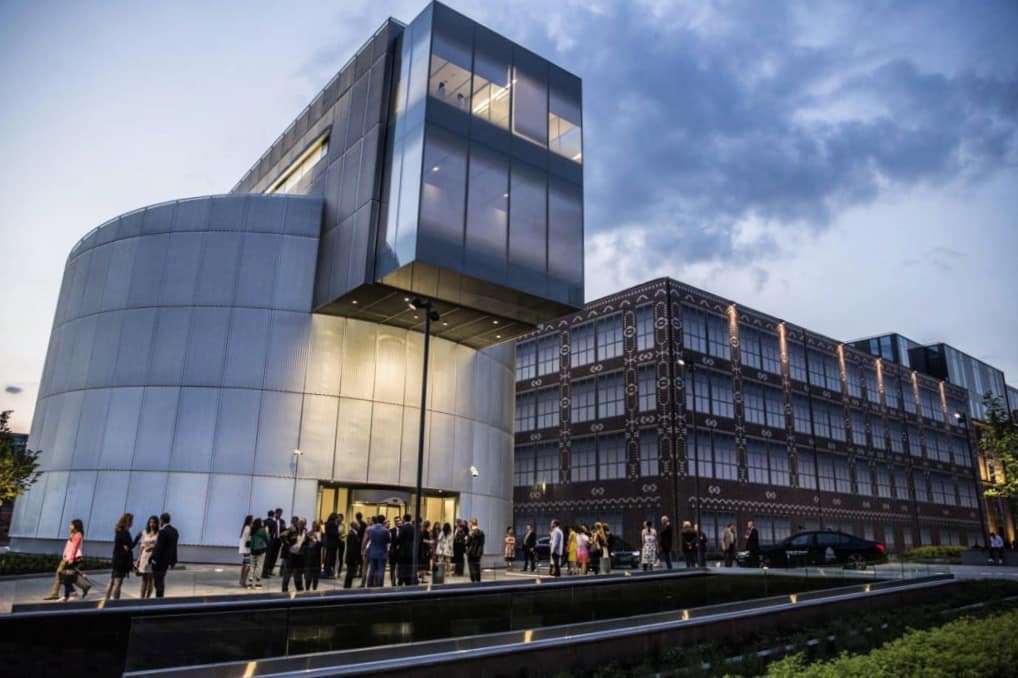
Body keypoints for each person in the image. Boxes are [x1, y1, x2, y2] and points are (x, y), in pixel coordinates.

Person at [105, 513, 135, 601]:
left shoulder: (119, 531)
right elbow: (128, 547)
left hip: (116, 559)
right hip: (121, 561)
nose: (132, 523)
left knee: (112, 581)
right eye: (131, 521)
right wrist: (137, 538)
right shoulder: (124, 533)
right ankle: (115, 601)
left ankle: (106, 599)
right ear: (128, 521)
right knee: (118, 583)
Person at [58, 519, 88, 602]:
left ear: (76, 526)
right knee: (66, 576)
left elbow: (74, 548)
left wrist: (71, 558)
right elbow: (69, 546)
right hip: (70, 558)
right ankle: (70, 594)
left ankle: (69, 594)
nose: (69, 526)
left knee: (65, 576)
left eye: (71, 525)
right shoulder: (74, 534)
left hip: (73, 559)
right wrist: (65, 555)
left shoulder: (78, 535)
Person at [150, 512, 179, 598]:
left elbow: (159, 547)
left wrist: (152, 558)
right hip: (168, 560)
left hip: (160, 561)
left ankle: (159, 598)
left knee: (158, 581)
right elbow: (174, 547)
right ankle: (160, 597)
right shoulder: (175, 531)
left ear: (161, 520)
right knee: (161, 579)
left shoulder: (163, 532)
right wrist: (173, 561)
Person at [135, 515, 159, 598]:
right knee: (144, 578)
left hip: (152, 558)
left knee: (150, 578)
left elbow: (159, 545)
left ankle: (147, 598)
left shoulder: (159, 534)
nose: (152, 524)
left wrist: (152, 546)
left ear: (157, 524)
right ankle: (141, 598)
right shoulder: (145, 532)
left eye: (154, 522)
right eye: (150, 522)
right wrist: (139, 559)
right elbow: (142, 546)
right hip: (144, 557)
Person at [281, 517, 306, 592]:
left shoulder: (304, 531)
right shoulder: (292, 529)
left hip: (300, 555)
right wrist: (288, 545)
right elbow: (282, 535)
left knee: (298, 573)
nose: (301, 524)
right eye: (300, 522)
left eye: (303, 523)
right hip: (291, 554)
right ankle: (285, 588)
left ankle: (299, 588)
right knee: (288, 572)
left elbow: (304, 542)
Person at [365, 515, 391, 588]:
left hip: (372, 552)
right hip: (382, 553)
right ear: (383, 521)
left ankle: (369, 585)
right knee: (381, 570)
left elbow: (368, 539)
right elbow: (388, 540)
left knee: (371, 570)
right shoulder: (385, 530)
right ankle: (380, 586)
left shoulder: (370, 529)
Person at [248, 517, 269, 588]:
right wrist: (267, 531)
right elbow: (268, 538)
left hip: (252, 549)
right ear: (259, 523)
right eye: (262, 522)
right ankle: (257, 582)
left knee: (252, 565)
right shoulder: (262, 530)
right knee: (259, 565)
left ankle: (250, 582)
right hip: (261, 549)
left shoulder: (252, 530)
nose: (263, 523)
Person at [395, 514, 415, 585]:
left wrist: (395, 545)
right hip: (411, 551)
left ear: (404, 519)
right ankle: (408, 582)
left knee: (402, 568)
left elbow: (399, 539)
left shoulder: (403, 528)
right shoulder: (413, 528)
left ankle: (401, 581)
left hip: (403, 552)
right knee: (409, 568)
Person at [343, 517, 362, 589]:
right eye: (358, 525)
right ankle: (347, 587)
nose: (359, 526)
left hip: (352, 557)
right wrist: (354, 559)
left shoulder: (354, 534)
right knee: (350, 573)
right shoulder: (351, 534)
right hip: (351, 558)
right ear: (354, 526)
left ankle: (348, 586)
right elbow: (352, 548)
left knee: (351, 573)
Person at [262, 508, 282, 578]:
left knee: (266, 557)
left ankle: (264, 571)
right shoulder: (273, 522)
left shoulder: (264, 521)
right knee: (268, 557)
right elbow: (273, 533)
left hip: (266, 541)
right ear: (274, 514)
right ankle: (265, 573)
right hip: (270, 541)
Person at [303, 521, 323, 591]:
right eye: (313, 525)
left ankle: (314, 589)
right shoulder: (308, 533)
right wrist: (306, 537)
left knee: (315, 576)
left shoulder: (320, 534)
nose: (314, 527)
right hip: (308, 557)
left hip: (316, 557)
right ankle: (307, 589)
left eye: (316, 525)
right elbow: (304, 544)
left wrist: (314, 539)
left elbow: (321, 545)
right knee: (308, 575)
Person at [466, 518, 485, 582]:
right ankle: (478, 580)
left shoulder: (471, 533)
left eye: (470, 523)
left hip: (471, 552)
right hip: (478, 553)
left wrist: (466, 539)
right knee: (477, 566)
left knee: (471, 567)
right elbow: (482, 543)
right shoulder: (481, 532)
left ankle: (473, 580)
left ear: (471, 524)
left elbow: (467, 543)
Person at [323, 513, 340, 578]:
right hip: (332, 543)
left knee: (328, 557)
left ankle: (327, 571)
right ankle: (328, 572)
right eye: (337, 517)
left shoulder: (327, 523)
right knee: (330, 558)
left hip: (329, 543)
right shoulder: (332, 524)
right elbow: (334, 533)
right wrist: (338, 532)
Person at [238, 514, 253, 587]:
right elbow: (248, 539)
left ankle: (241, 580)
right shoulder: (248, 528)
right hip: (247, 550)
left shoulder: (245, 527)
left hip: (244, 549)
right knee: (248, 566)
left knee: (244, 565)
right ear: (250, 520)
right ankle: (243, 581)